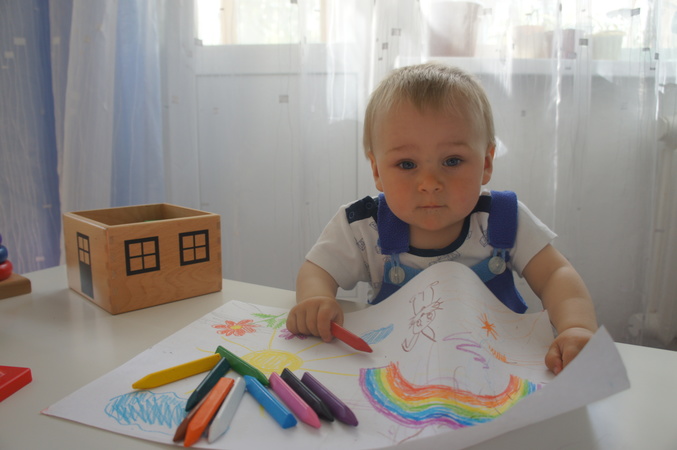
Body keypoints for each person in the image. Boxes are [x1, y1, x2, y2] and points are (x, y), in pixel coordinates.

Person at [286, 62, 597, 375]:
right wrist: (316, 299)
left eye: (452, 161)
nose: (430, 183)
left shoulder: (502, 219)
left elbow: (556, 274)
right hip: (397, 372)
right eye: (407, 164)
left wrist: (575, 327)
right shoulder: (365, 226)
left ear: (486, 163)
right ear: (377, 170)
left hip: (497, 371)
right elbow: (318, 269)